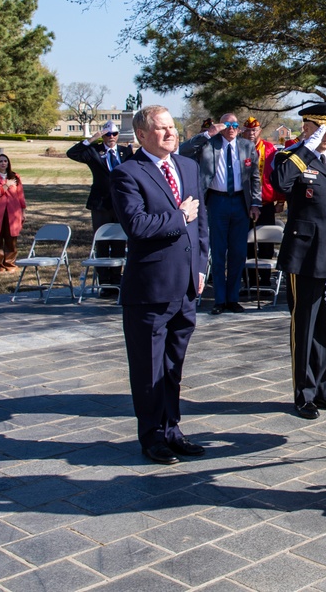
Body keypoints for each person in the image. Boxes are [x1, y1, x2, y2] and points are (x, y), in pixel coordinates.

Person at [111, 105, 210, 464]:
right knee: (148, 367)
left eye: (172, 126)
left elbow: (201, 226)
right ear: (141, 135)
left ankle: (173, 430)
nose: (171, 133)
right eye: (162, 128)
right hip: (149, 290)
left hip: (185, 286)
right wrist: (178, 215)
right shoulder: (127, 174)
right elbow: (137, 226)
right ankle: (151, 436)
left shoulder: (187, 166)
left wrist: (200, 267)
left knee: (173, 366)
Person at [271, 102, 326, 420]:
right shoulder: (290, 158)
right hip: (305, 256)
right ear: (306, 127)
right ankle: (303, 393)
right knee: (304, 326)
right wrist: (306, 148)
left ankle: (324, 390)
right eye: (322, 127)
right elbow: (281, 184)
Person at [179, 113, 262, 314]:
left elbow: (255, 178)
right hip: (217, 201)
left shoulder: (247, 146)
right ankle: (219, 299)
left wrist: (256, 203)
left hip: (240, 202)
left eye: (235, 125)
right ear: (220, 126)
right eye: (227, 124)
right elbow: (183, 150)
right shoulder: (209, 143)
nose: (231, 128)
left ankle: (232, 298)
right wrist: (208, 133)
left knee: (238, 252)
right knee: (217, 251)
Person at [66, 120, 134, 295]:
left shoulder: (125, 151)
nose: (111, 137)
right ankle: (104, 282)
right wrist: (91, 139)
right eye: (107, 134)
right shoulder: (94, 151)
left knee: (119, 242)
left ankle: (116, 281)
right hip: (100, 203)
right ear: (103, 136)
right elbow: (72, 153)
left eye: (114, 134)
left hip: (121, 203)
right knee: (102, 242)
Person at [238, 116, 282, 260]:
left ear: (260, 131)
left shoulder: (270, 149)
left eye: (254, 130)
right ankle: (249, 278)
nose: (251, 133)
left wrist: (281, 200)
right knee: (245, 240)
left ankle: (265, 278)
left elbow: (279, 175)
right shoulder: (238, 147)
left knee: (266, 243)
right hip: (243, 203)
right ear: (243, 131)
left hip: (265, 203)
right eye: (248, 130)